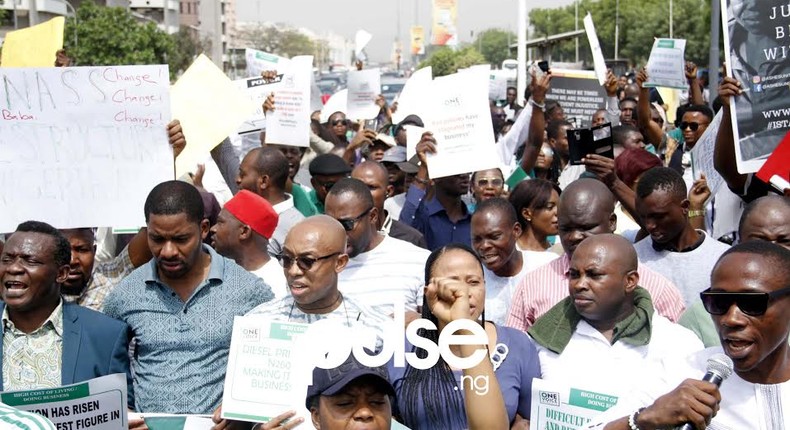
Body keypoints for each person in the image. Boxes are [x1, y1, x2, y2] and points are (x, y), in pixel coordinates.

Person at [103, 181, 273, 414]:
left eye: (181, 239)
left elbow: (270, 368)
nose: (168, 251)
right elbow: (106, 365)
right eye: (157, 239)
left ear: (204, 229)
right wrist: (124, 410)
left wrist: (240, 408)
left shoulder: (249, 291)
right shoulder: (126, 294)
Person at [585, 241, 790, 430]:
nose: (731, 319)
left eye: (752, 303)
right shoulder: (682, 374)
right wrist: (645, 419)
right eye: (718, 302)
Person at [529, 234, 703, 397]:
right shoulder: (542, 340)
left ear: (630, 281)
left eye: (594, 275)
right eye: (574, 275)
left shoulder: (678, 343)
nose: (579, 284)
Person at [389, 244, 538, 429]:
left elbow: (531, 418)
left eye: (474, 282)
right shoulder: (401, 348)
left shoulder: (518, 344)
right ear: (429, 293)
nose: (464, 294)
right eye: (452, 283)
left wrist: (463, 325)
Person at [506, 179, 686, 331]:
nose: (574, 237)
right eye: (566, 229)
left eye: (586, 228)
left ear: (612, 222)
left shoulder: (657, 289)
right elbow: (516, 355)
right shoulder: (532, 285)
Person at [0, 222, 133, 403]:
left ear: (62, 273)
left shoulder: (105, 336)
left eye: (30, 261)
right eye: (7, 259)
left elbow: (120, 410)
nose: (13, 268)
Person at [679, 195, 790, 346]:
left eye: (785, 241)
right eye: (759, 242)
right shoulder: (703, 315)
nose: (772, 250)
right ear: (738, 243)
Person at [324, 178, 429, 320]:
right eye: (331, 224)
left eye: (347, 224)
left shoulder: (417, 260)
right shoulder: (318, 264)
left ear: (372, 216)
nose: (338, 232)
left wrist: (417, 323)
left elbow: (434, 330)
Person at [634, 167, 730, 306]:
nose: (649, 225)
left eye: (658, 216)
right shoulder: (634, 259)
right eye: (643, 217)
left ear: (685, 206)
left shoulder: (722, 258)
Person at [471, 198, 558, 326]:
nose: (484, 246)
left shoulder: (550, 267)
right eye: (477, 239)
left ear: (516, 231)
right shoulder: (471, 281)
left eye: (494, 237)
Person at [399, 133, 472, 250]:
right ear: (436, 177)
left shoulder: (475, 222)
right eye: (456, 169)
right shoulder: (423, 215)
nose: (464, 175)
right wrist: (424, 166)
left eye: (466, 169)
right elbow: (404, 228)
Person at [210, 190, 288, 299]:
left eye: (220, 222)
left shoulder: (275, 285)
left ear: (244, 232)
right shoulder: (220, 270)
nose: (213, 229)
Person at [236, 147, 305, 256]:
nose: (237, 180)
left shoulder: (297, 228)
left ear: (263, 181)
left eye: (242, 174)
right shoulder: (241, 210)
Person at [351, 161, 426, 249]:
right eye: (357, 186)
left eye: (371, 187)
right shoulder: (341, 236)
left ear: (388, 191)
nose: (363, 193)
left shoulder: (410, 239)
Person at [508, 179, 562, 253]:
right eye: (550, 207)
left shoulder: (561, 250)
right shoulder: (508, 253)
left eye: (559, 206)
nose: (558, 212)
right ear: (526, 213)